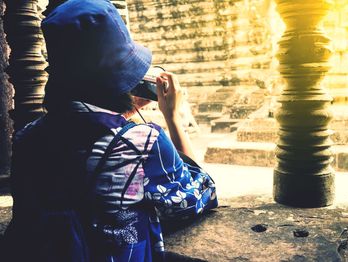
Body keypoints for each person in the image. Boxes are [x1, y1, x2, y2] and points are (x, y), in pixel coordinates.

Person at [2, 0, 217, 261]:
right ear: (122, 77)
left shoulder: (27, 138)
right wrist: (172, 118)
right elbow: (197, 197)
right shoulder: (143, 142)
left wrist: (117, 114)